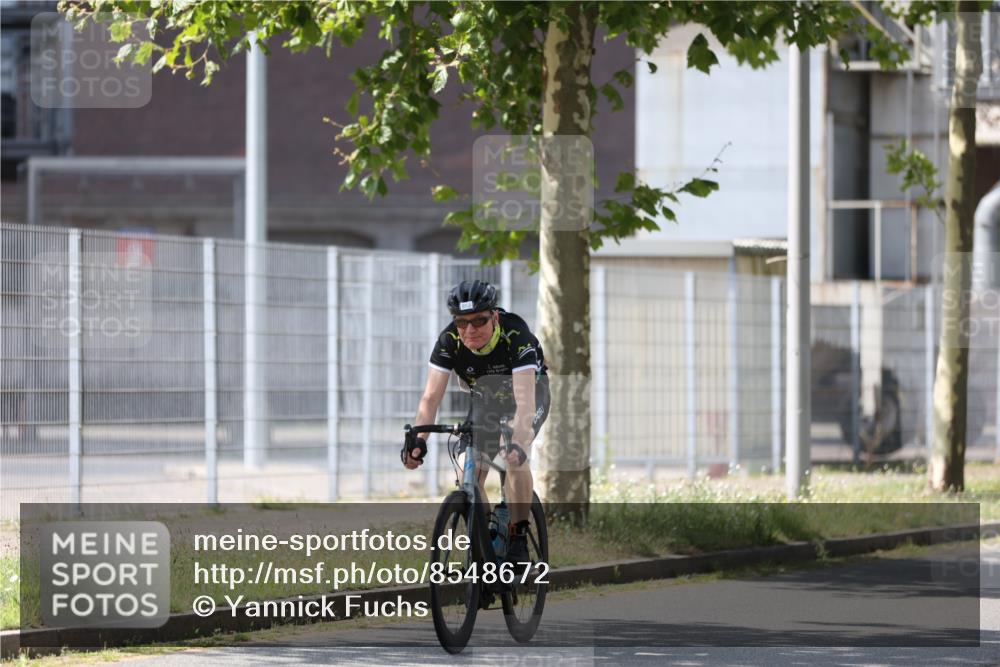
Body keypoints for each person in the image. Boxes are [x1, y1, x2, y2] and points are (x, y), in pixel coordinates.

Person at [401, 279, 549, 567]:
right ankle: (484, 540)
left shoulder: (515, 335)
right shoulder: (449, 342)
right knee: (472, 465)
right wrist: (419, 439)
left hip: (529, 396)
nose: (470, 330)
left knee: (516, 458)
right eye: (461, 322)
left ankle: (518, 536)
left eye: (479, 321)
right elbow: (430, 399)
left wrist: (518, 440)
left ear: (494, 316)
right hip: (486, 399)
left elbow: (526, 405)